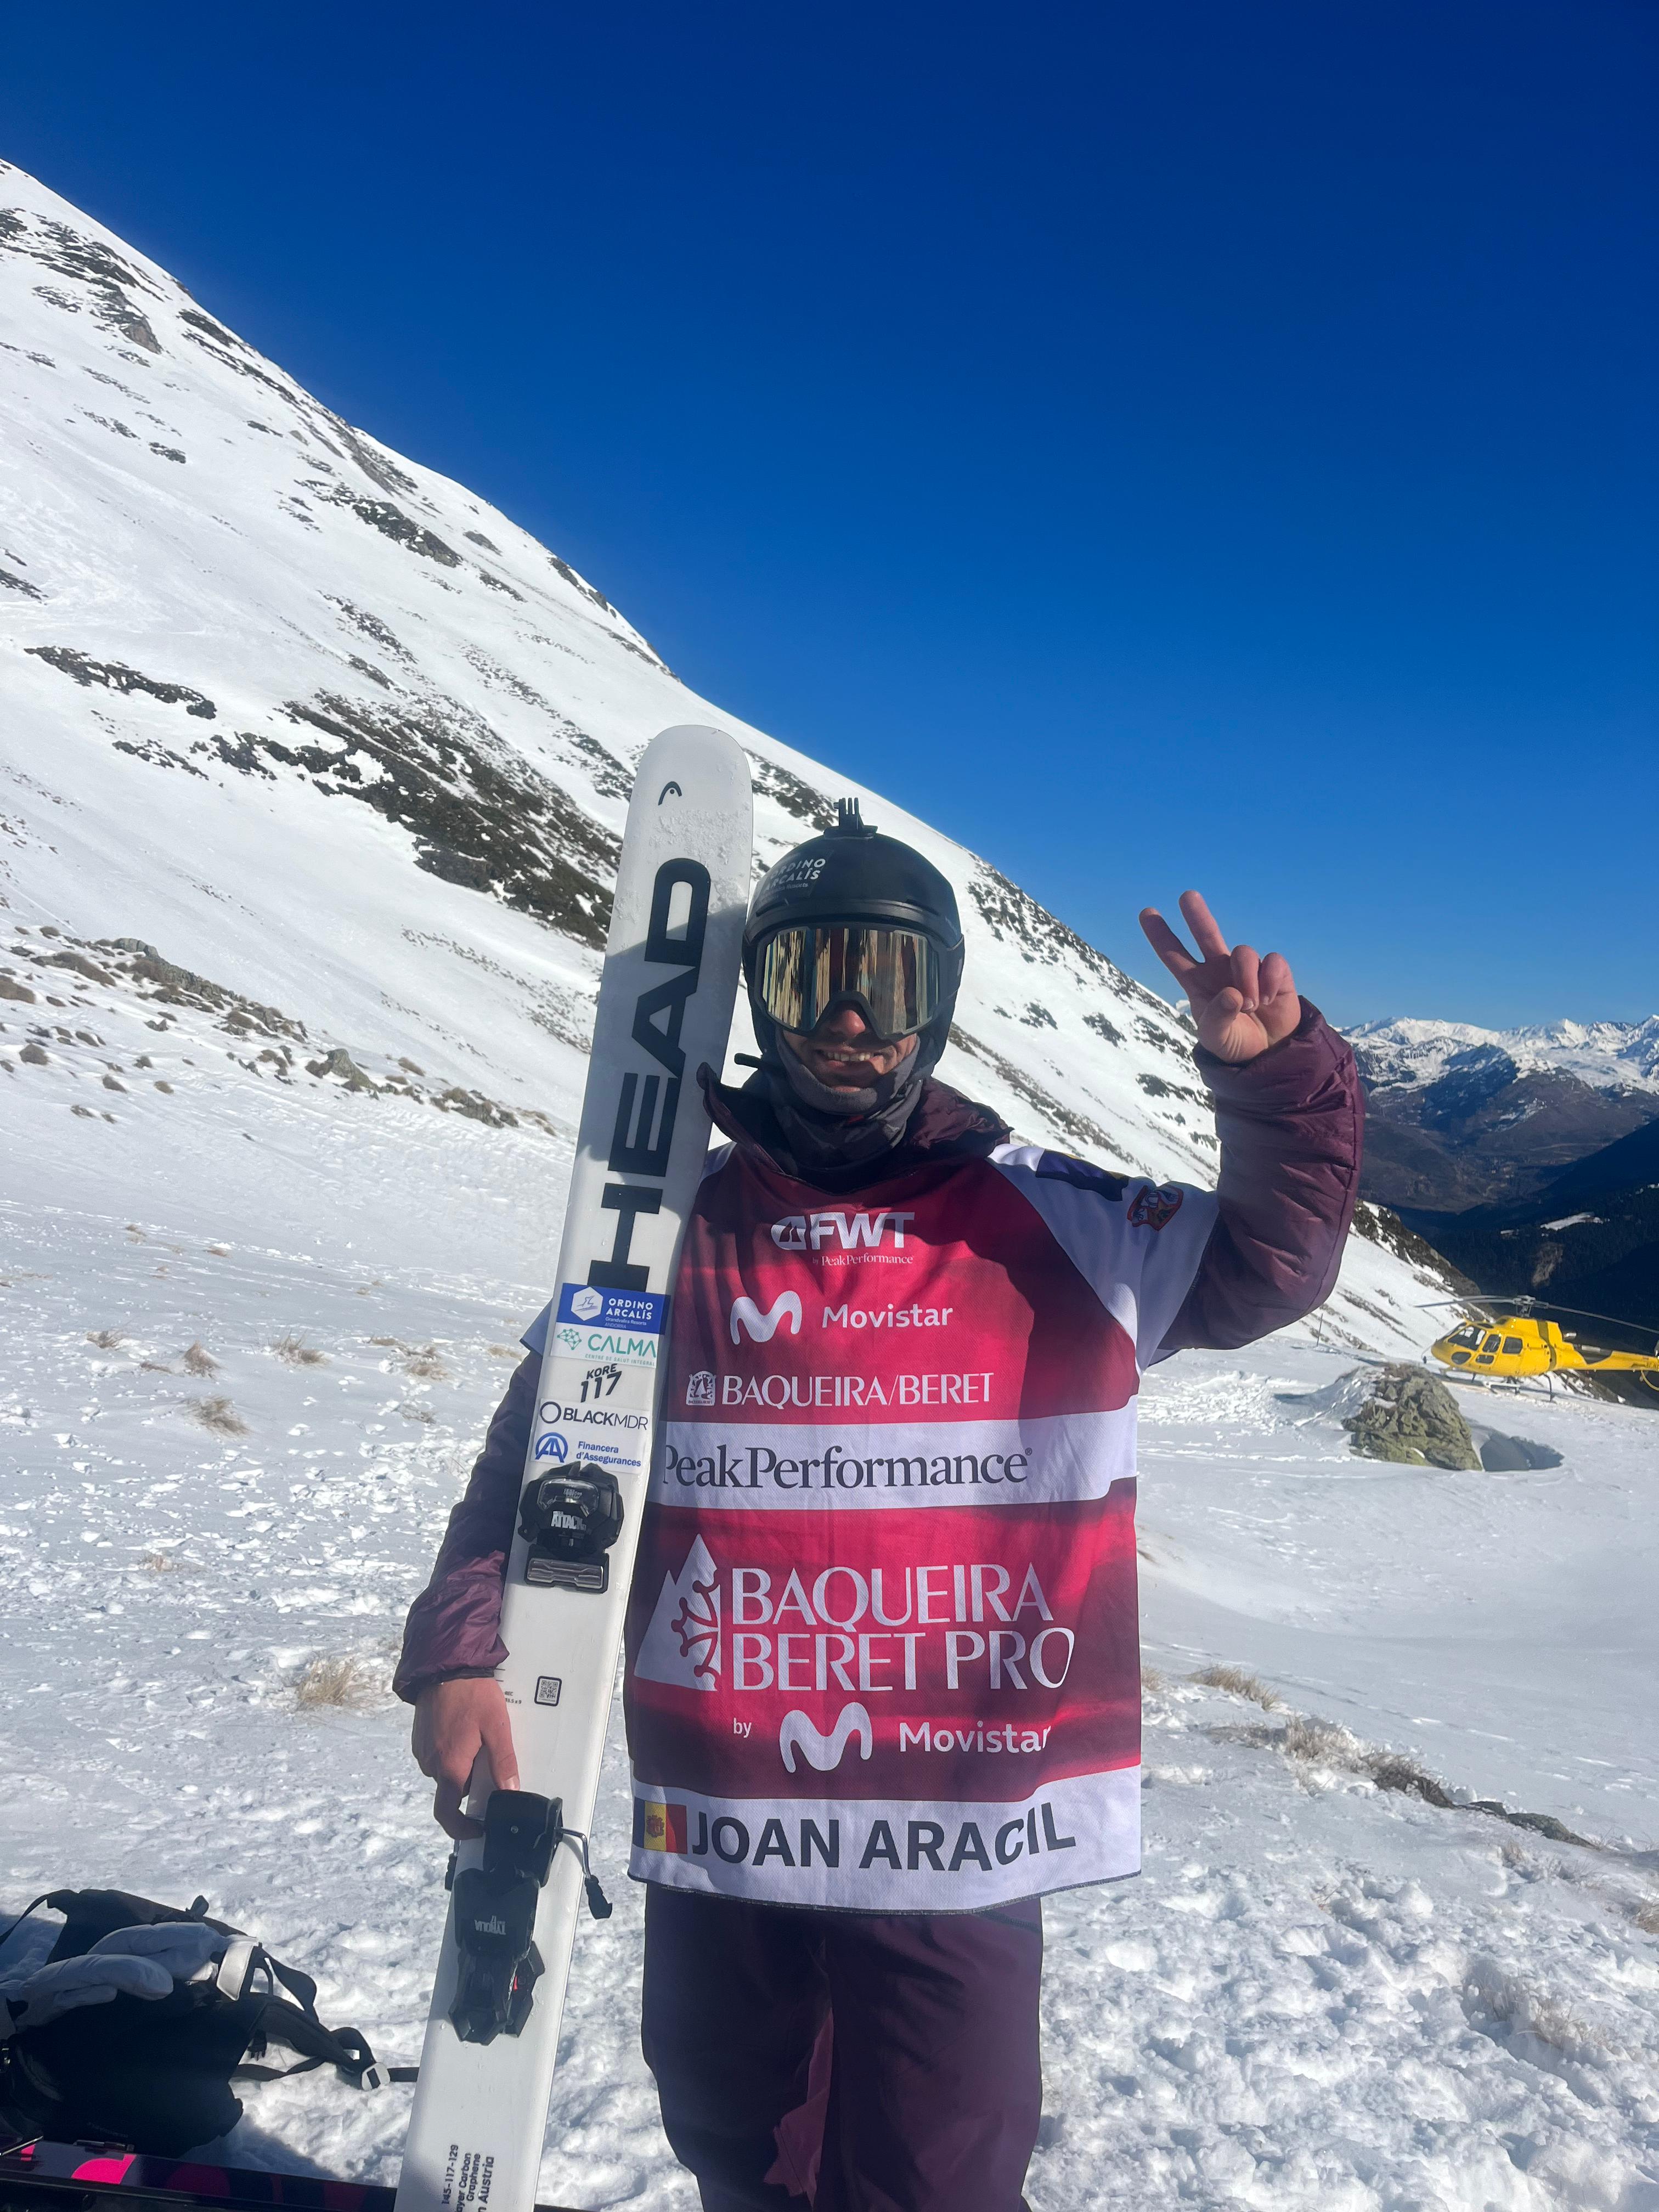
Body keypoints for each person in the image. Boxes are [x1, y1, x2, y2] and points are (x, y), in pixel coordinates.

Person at [395, 800, 1363, 2212]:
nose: (850, 1018)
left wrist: (1276, 1084)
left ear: (939, 1004)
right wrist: (461, 1649)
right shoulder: (663, 1241)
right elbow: (545, 1456)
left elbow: (1275, 1264)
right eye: (811, 974)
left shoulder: (1062, 1222)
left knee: (938, 2172)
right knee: (734, 2136)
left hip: (958, 1827)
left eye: (889, 978)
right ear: (761, 997)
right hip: (730, 1812)